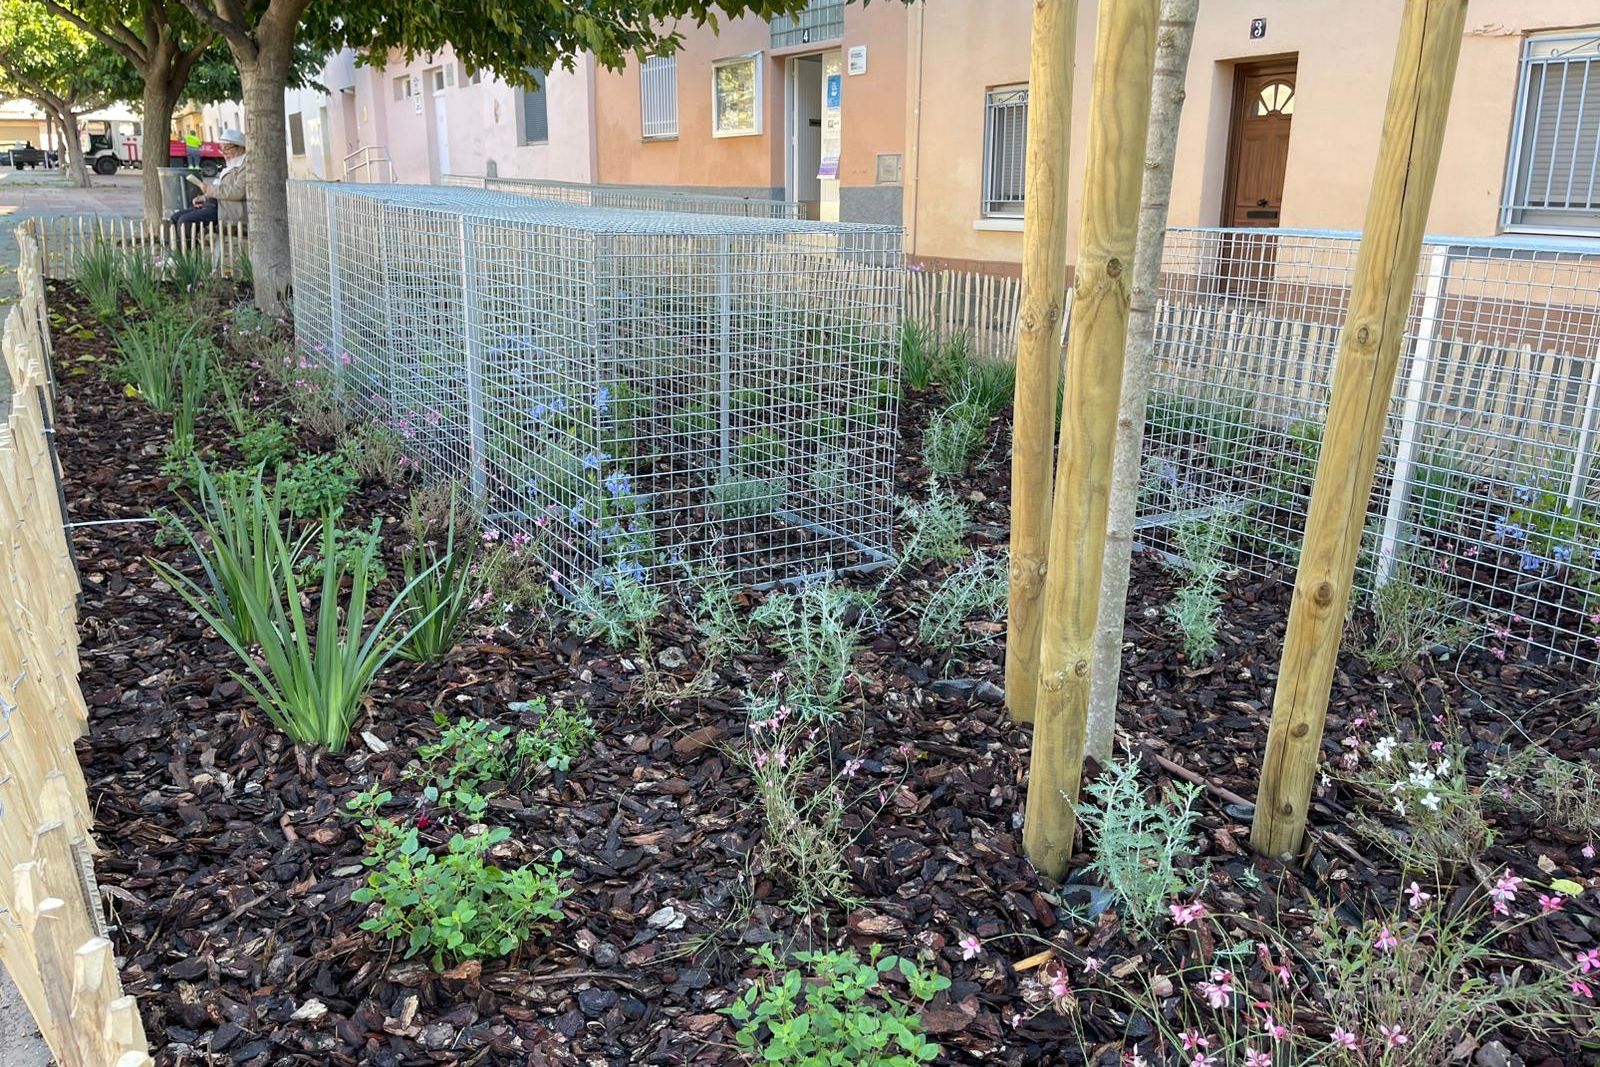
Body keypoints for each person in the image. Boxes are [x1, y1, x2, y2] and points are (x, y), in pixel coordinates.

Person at [170, 129, 247, 230]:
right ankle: (179, 245)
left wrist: (209, 189)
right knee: (175, 217)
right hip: (217, 203)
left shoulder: (245, 166)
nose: (223, 153)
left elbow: (238, 192)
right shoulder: (231, 163)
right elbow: (221, 188)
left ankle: (189, 246)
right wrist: (205, 197)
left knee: (185, 221)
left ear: (240, 148)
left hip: (228, 208)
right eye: (221, 149)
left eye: (227, 149)